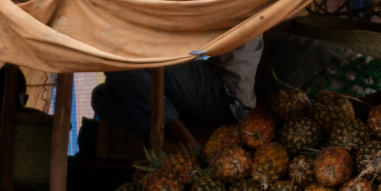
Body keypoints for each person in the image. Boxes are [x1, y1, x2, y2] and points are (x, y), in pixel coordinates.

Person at [91, 37, 263, 148]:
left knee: (119, 53)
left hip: (224, 90)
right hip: (200, 81)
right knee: (103, 98)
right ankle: (193, 134)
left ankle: (180, 139)